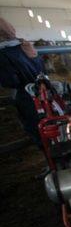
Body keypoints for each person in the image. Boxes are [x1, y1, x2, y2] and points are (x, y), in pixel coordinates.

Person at [0, 18, 45, 146]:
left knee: (36, 129)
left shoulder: (3, 54)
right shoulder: (26, 46)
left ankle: (52, 162)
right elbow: (42, 68)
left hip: (26, 96)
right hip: (44, 91)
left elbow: (10, 81)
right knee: (51, 124)